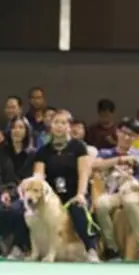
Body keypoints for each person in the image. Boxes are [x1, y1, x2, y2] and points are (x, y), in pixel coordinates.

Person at [32, 109, 99, 262]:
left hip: (73, 196)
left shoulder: (78, 147)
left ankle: (91, 249)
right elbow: (39, 178)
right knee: (30, 213)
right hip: (52, 199)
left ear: (69, 127)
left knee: (78, 208)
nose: (59, 126)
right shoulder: (43, 151)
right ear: (51, 125)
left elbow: (84, 173)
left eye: (63, 123)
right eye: (56, 122)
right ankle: (28, 249)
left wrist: (81, 194)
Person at [91, 118, 139, 262]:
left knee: (130, 201)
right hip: (113, 191)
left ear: (136, 137)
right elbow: (95, 166)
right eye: (124, 133)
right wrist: (120, 160)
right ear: (117, 132)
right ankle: (111, 248)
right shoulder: (106, 152)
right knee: (101, 204)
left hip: (134, 191)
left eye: (131, 135)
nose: (126, 137)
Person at [0, 117, 35, 259]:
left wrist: (13, 192)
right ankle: (2, 240)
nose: (17, 131)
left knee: (19, 208)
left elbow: (29, 179)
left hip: (23, 192)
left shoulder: (32, 154)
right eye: (14, 127)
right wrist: (3, 192)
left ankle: (18, 245)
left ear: (27, 131)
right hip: (1, 190)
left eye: (21, 127)